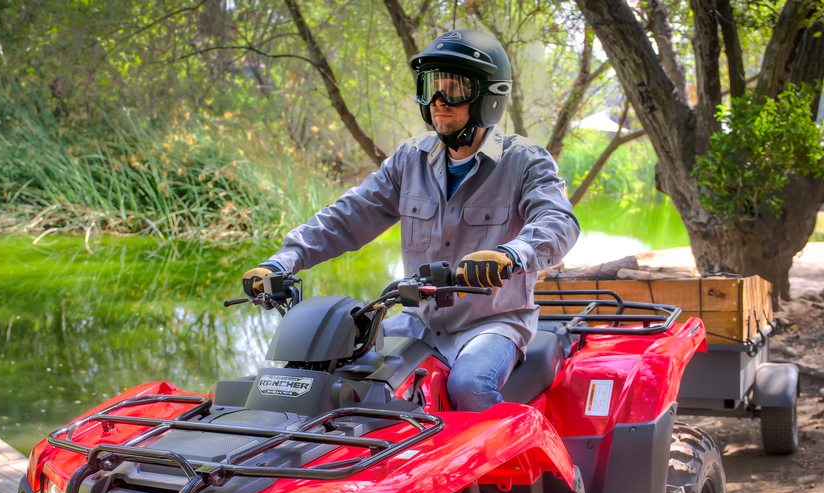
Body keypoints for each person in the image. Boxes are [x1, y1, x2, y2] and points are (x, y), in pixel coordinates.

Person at [241, 29, 579, 412]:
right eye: (432, 86)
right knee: (340, 375)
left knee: (469, 386)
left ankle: (513, 472)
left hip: (491, 323)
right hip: (418, 321)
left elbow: (559, 221)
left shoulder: (524, 161)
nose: (438, 101)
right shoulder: (409, 160)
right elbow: (347, 217)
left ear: (489, 96)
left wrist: (510, 255)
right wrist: (282, 261)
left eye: (454, 89)